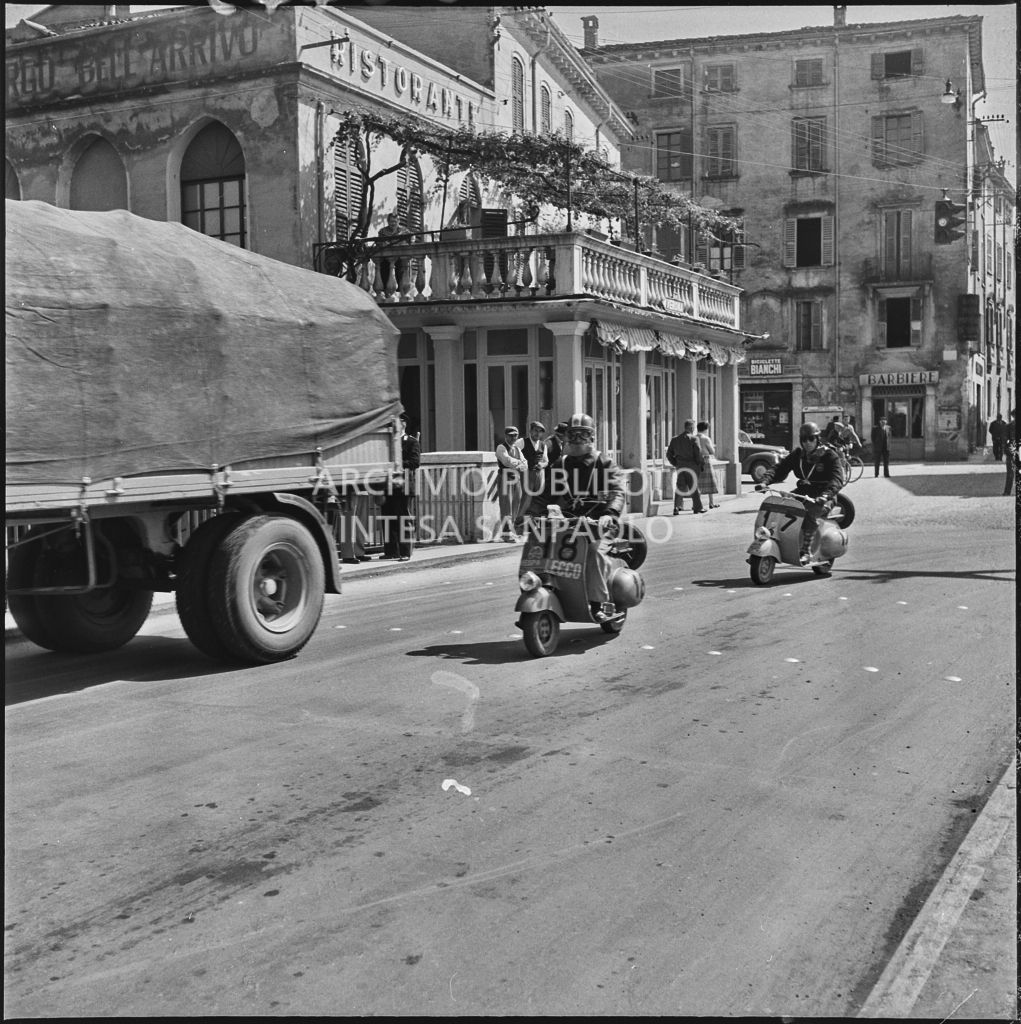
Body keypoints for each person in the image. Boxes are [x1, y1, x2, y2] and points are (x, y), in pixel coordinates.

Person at [525, 412, 626, 622]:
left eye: (583, 435)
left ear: (592, 437)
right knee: (543, 547)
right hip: (568, 523)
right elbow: (544, 494)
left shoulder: (604, 463)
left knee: (593, 553)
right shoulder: (560, 465)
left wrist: (610, 513)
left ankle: (598, 604)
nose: (577, 440)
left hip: (599, 525)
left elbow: (617, 491)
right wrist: (531, 514)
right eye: (573, 434)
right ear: (566, 436)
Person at [759, 421, 844, 564]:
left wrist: (825, 495)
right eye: (804, 439)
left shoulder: (829, 455)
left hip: (824, 494)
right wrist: (764, 481)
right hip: (804, 491)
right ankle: (776, 539)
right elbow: (780, 468)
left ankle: (806, 550)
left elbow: (837, 479)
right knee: (782, 506)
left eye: (811, 439)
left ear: (817, 439)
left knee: (810, 512)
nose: (807, 443)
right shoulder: (798, 455)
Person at [381, 413, 420, 561]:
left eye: (397, 421)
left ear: (403, 424)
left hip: (404, 485)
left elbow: (415, 462)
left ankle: (405, 552)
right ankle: (391, 551)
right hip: (389, 484)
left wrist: (398, 464)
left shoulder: (411, 442)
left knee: (403, 518)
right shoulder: (388, 442)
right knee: (387, 517)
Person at [666, 419, 705, 514]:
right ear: (691, 427)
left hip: (680, 466)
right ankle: (698, 507)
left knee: (680, 487)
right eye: (694, 427)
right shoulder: (694, 439)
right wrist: (701, 464)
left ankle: (676, 507)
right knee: (693, 487)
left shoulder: (675, 439)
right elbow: (698, 453)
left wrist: (676, 463)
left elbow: (669, 454)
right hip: (692, 466)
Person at [495, 425, 526, 541]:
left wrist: (518, 463)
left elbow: (525, 465)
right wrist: (519, 463)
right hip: (504, 477)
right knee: (506, 505)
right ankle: (506, 533)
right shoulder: (501, 448)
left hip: (516, 478)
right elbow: (507, 461)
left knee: (515, 505)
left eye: (515, 435)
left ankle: (511, 531)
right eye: (511, 435)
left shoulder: (517, 449)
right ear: (506, 436)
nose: (513, 438)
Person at [518, 421, 550, 520]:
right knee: (526, 498)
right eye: (535, 431)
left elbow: (546, 461)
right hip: (526, 474)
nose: (537, 433)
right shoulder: (522, 442)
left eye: (540, 432)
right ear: (530, 431)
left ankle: (534, 521)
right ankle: (518, 520)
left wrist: (542, 465)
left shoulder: (543, 445)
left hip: (539, 474)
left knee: (539, 498)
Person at [696, 421, 720, 509]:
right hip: (705, 460)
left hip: (696, 461)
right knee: (710, 482)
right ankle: (711, 503)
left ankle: (697, 503)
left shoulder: (693, 438)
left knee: (698, 482)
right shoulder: (705, 438)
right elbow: (712, 451)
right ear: (706, 429)